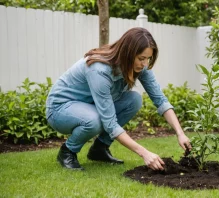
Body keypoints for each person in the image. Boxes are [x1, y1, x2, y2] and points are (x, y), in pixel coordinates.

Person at [46, 27, 192, 171]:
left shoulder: (140, 67)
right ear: (128, 54)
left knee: (134, 100)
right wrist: (144, 153)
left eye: (148, 58)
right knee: (95, 120)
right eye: (141, 58)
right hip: (60, 109)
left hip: (88, 106)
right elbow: (109, 122)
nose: (145, 64)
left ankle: (99, 149)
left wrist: (180, 133)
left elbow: (160, 100)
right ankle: (68, 151)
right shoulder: (99, 70)